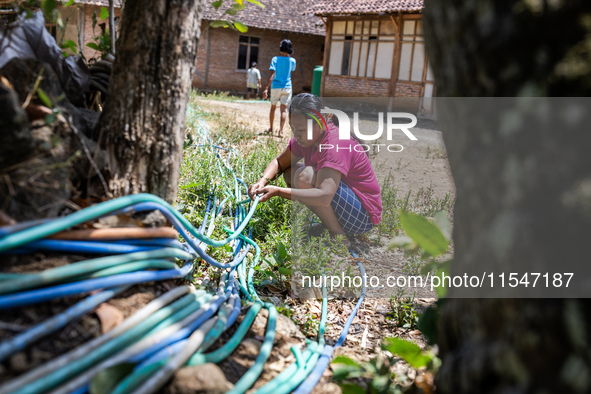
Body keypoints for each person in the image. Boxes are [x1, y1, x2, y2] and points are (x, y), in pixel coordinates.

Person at [248, 93, 382, 248]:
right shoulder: (307, 139)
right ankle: (332, 226)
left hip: (362, 217)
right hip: (347, 204)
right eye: (293, 128)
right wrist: (262, 180)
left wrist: (278, 191)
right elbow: (280, 162)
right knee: (290, 172)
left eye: (302, 130)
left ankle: (339, 237)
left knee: (305, 177)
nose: (296, 135)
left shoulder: (335, 143)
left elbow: (324, 196)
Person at [262, 39, 296, 137]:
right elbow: (291, 70)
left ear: (280, 48)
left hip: (276, 87)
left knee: (273, 108)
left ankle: (271, 129)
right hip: (287, 87)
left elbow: (272, 75)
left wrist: (266, 88)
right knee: (283, 109)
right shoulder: (292, 60)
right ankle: (280, 131)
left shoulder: (275, 59)